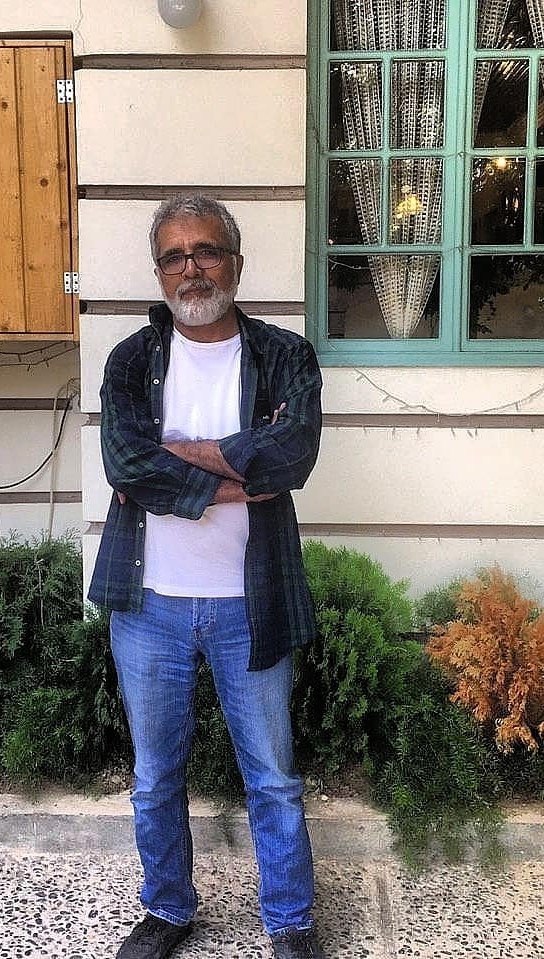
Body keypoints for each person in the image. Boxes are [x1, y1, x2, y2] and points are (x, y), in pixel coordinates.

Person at [88, 195, 325, 959]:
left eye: (206, 250)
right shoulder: (131, 360)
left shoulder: (284, 355)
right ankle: (167, 909)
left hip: (250, 602)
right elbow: (124, 463)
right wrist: (240, 474)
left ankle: (289, 921)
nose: (191, 268)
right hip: (148, 603)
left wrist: (176, 453)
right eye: (174, 256)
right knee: (155, 777)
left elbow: (292, 456)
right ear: (159, 272)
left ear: (235, 262)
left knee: (273, 778)